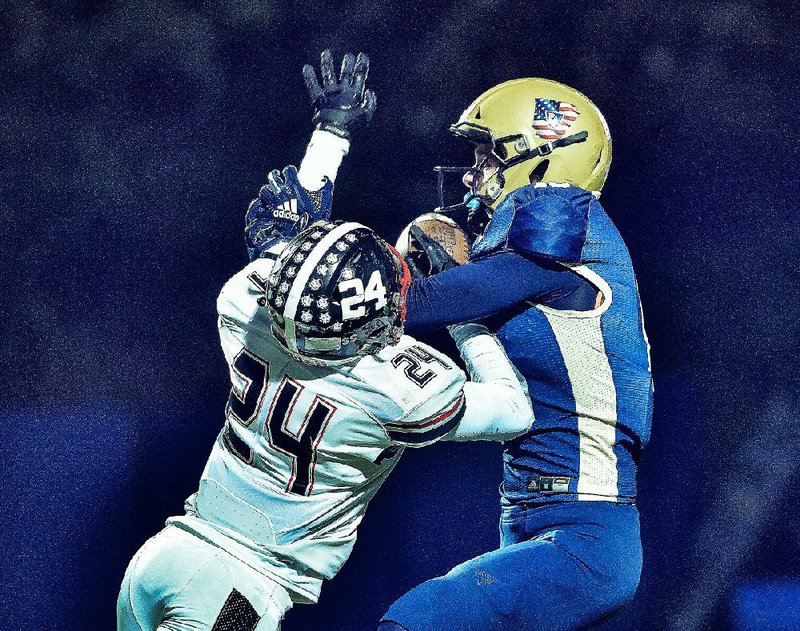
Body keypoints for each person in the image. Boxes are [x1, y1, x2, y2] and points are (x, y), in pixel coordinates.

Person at [116, 51, 533, 631]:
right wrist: (464, 313)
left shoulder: (246, 305)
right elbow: (514, 410)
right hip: (241, 586)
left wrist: (331, 131)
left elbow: (294, 239)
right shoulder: (394, 388)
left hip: (166, 557)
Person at [378, 79, 655, 630]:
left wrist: (302, 263)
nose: (470, 175)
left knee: (419, 619)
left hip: (583, 532)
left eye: (487, 156)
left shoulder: (558, 248)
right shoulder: (549, 254)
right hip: (536, 517)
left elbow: (412, 304)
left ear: (540, 160)